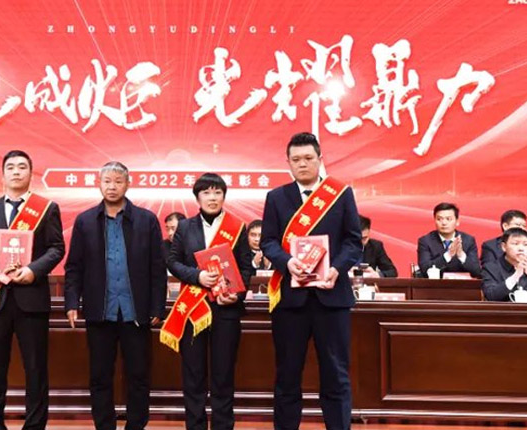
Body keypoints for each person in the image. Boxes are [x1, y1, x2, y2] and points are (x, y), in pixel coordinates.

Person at [260, 132, 362, 430]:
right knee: (287, 374)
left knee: (336, 374)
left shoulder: (341, 194)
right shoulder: (276, 197)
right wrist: (287, 263)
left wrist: (337, 269)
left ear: (320, 159)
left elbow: (353, 242)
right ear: (288, 163)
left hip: (332, 297)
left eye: (308, 158)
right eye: (296, 160)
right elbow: (268, 242)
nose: (302, 164)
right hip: (291, 300)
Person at [64, 161, 167, 430]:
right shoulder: (85, 221)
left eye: (118, 181)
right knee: (100, 376)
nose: (112, 187)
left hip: (136, 311)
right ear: (99, 184)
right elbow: (74, 266)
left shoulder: (146, 220)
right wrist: (72, 302)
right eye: (107, 181)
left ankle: (136, 425)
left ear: (127, 184)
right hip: (100, 310)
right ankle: (104, 425)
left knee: (138, 375)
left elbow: (158, 268)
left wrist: (158, 306)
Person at [0, 150, 65, 430]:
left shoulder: (46, 208)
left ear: (30, 173)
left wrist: (33, 270)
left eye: (22, 167)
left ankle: (34, 425)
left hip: (31, 298)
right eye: (10, 167)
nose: (16, 171)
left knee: (35, 368)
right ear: (2, 174)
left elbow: (56, 248)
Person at [162, 173, 251, 430]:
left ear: (224, 196)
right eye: (206, 193)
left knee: (223, 375)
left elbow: (246, 268)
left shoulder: (238, 227)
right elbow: (173, 261)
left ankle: (223, 426)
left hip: (226, 309)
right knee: (193, 375)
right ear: (197, 198)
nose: (212, 198)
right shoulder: (185, 227)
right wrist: (197, 276)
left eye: (217, 192)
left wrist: (237, 293)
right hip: (194, 309)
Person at [417, 202, 481, 278]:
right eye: (439, 219)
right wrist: (448, 255)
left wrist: (461, 255)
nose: (444, 223)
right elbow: (424, 270)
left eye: (448, 219)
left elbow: (477, 271)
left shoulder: (468, 240)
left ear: (457, 221)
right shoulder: (426, 241)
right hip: (435, 285)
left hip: (462, 285)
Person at [482, 228, 527, 301]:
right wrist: (516, 275)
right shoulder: (491, 268)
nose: (521, 248)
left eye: (525, 244)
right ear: (504, 247)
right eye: (515, 244)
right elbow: (491, 296)